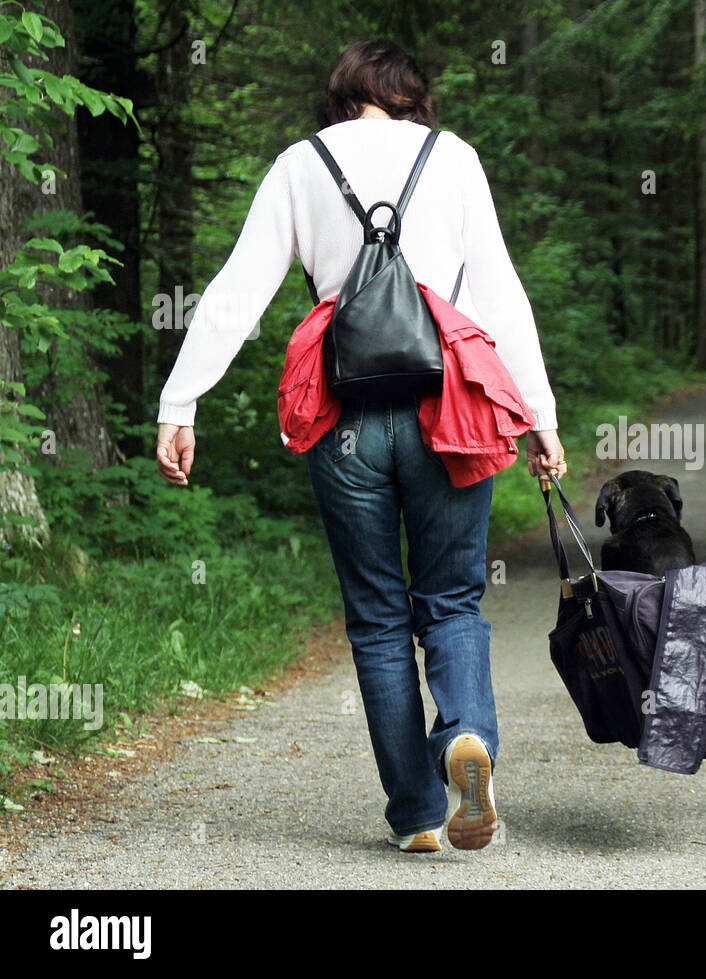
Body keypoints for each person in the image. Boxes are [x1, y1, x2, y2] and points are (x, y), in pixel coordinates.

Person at [154, 39, 567, 853]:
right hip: (447, 407)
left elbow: (240, 289)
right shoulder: (452, 159)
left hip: (343, 415)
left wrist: (182, 400)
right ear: (412, 98)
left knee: (377, 618)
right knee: (451, 599)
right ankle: (462, 735)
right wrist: (541, 413)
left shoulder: (301, 165)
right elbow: (498, 293)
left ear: (344, 98)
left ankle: (415, 813)